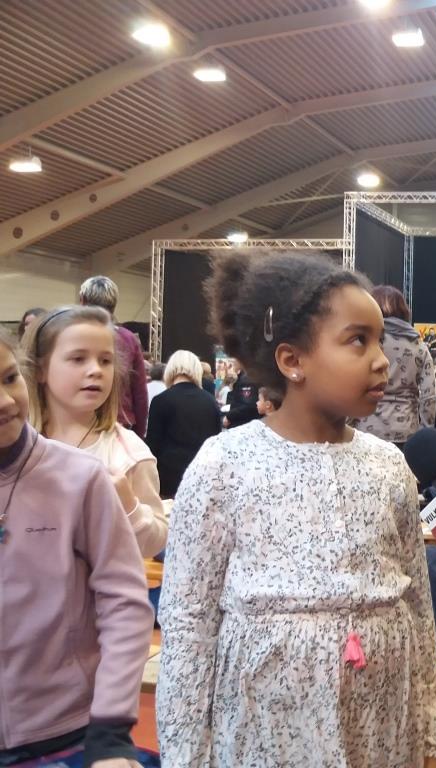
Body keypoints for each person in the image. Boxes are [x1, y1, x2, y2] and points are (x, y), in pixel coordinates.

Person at [157, 251, 436, 767]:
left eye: (380, 340)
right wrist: (186, 756)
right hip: (266, 730)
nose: (382, 360)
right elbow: (187, 624)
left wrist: (430, 735)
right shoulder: (224, 465)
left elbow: (419, 610)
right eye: (358, 340)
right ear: (292, 361)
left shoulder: (389, 465)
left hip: (382, 728)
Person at [0, 327, 154, 767]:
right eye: (78, 359)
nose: (6, 401)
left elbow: (125, 602)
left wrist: (111, 730)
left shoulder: (82, 476)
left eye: (9, 378)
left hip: (65, 730)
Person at [23, 306, 168, 558]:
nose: (96, 370)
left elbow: (155, 542)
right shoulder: (17, 445)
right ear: (40, 370)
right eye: (78, 359)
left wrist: (130, 507)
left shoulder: (129, 455)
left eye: (105, 360)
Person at [350, 285, 436, 450]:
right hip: (406, 431)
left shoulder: (363, 342)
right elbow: (429, 395)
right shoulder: (419, 346)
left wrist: (346, 424)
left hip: (367, 428)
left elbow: (351, 384)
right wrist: (425, 431)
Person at [145, 349, 222, 499]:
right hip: (201, 477)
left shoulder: (161, 400)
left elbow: (152, 445)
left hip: (168, 479)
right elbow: (216, 442)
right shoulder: (210, 401)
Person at [79, 276, 148, 438]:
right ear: (114, 305)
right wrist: (138, 436)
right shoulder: (129, 339)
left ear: (82, 301)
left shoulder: (69, 335)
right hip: (120, 426)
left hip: (80, 424)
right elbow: (139, 392)